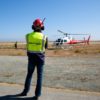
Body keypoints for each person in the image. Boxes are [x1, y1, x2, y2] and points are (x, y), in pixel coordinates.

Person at [17, 18, 48, 100]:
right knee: (39, 77)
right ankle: (37, 95)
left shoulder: (28, 36)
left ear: (33, 26)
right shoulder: (44, 37)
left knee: (29, 75)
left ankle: (25, 91)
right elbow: (46, 47)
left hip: (31, 59)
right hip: (40, 59)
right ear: (42, 27)